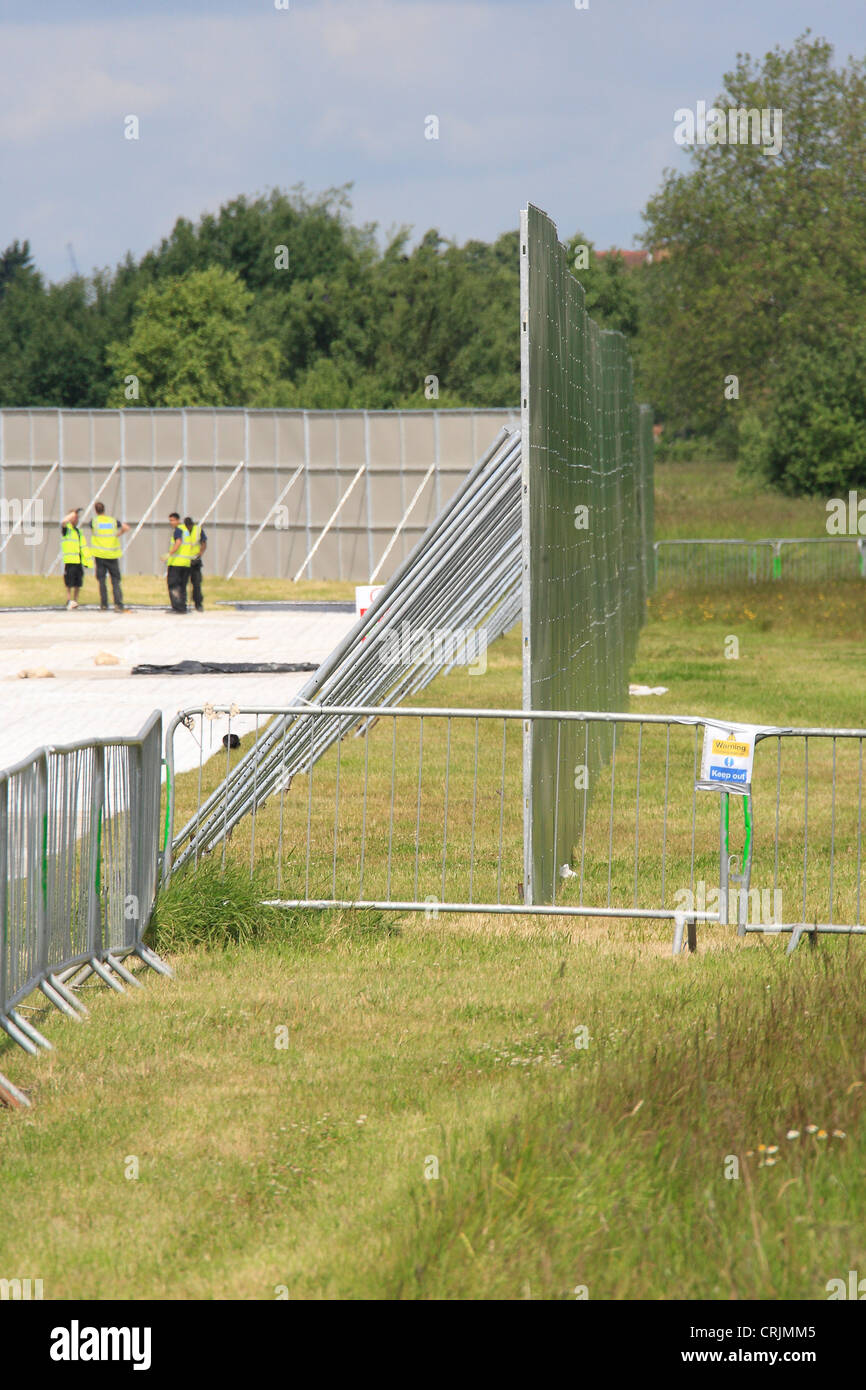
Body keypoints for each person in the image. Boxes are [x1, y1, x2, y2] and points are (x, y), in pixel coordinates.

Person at [90, 501, 130, 612]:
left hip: (100, 555)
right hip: (112, 555)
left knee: (102, 581)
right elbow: (126, 527)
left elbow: (93, 529)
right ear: (104, 509)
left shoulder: (94, 521)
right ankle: (118, 604)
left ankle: (104, 605)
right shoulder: (112, 521)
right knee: (115, 581)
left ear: (95, 510)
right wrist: (117, 534)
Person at [59, 507, 92, 609]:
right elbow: (63, 521)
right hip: (70, 561)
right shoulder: (67, 529)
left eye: (77, 518)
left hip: (78, 560)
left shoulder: (78, 531)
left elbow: (83, 546)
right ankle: (69, 600)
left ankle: (75, 601)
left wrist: (86, 560)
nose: (76, 520)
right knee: (69, 582)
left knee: (78, 582)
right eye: (74, 518)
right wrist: (72, 513)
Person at [164, 511, 191, 613]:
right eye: (170, 520)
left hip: (176, 563)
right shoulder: (186, 530)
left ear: (178, 520)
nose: (171, 522)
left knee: (173, 585)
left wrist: (169, 554)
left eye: (173, 520)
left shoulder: (178, 530)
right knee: (182, 586)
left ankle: (177, 607)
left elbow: (178, 542)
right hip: (186, 563)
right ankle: (183, 607)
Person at [185, 515, 207, 612]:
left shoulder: (198, 530)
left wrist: (200, 553)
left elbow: (203, 542)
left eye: (190, 526)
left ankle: (198, 604)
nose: (188, 528)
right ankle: (182, 603)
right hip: (184, 561)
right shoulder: (182, 530)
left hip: (195, 561)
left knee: (197, 583)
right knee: (182, 584)